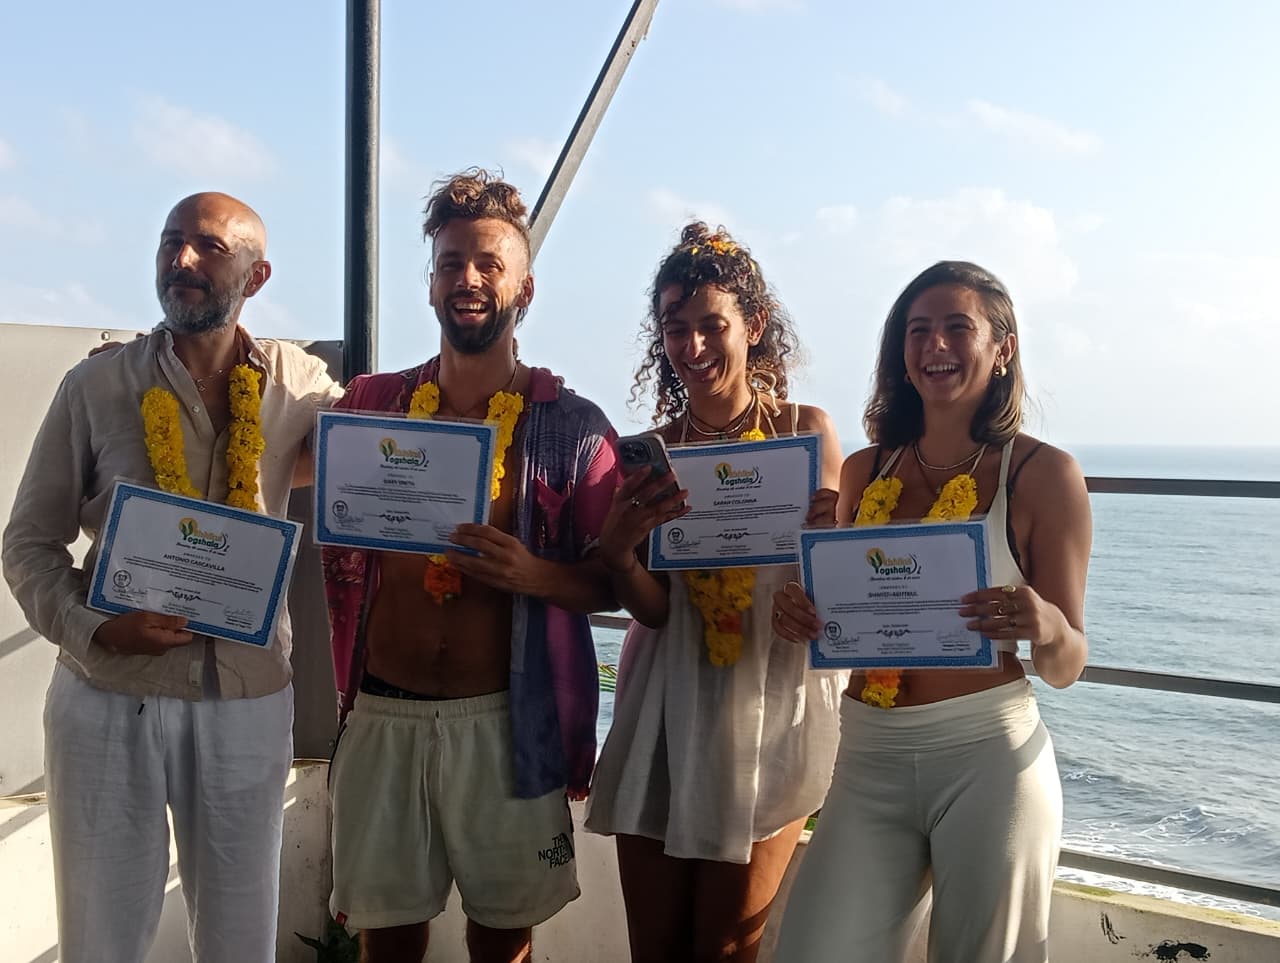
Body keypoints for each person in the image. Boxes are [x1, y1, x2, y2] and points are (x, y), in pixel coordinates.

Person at [2, 191, 342, 962]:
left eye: (208, 247)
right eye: (170, 242)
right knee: (99, 939)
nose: (181, 260)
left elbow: (371, 458)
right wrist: (95, 630)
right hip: (106, 689)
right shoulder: (96, 385)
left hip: (245, 699)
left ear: (256, 277)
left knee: (238, 942)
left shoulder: (299, 386)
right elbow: (27, 543)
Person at [322, 169, 621, 963]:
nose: (469, 279)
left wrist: (536, 575)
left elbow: (616, 577)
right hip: (383, 711)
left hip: (507, 720)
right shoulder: (368, 406)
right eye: (452, 263)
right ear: (429, 285)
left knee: (503, 937)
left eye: (489, 263)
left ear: (526, 287)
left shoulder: (572, 426)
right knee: (387, 938)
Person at [769, 260, 1092, 963]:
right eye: (918, 330)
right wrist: (802, 615)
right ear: (901, 353)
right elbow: (850, 613)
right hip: (867, 754)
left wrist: (1047, 624)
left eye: (957, 326)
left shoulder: (1042, 474)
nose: (935, 344)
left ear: (1001, 347)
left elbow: (1067, 663)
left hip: (987, 756)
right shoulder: (864, 471)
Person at [583, 223, 848, 963]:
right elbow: (655, 609)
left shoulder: (805, 432)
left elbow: (836, 585)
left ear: (752, 326)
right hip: (663, 704)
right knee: (657, 950)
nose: (692, 347)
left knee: (727, 951)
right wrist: (619, 553)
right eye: (675, 328)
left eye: (711, 325)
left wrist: (834, 537)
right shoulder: (654, 450)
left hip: (764, 708)